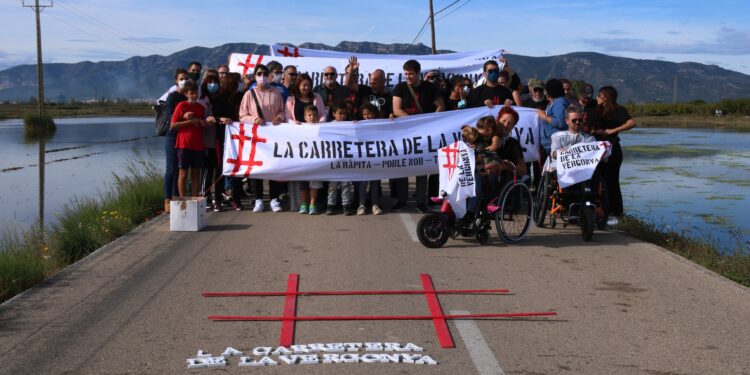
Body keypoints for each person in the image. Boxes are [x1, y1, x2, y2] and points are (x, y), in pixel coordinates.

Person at [392, 59, 444, 212]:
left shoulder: (429, 88)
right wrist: (413, 122)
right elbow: (396, 109)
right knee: (403, 165)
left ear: (418, 73)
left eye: (411, 74)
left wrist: (430, 122)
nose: (408, 77)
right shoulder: (400, 88)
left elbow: (440, 106)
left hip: (425, 133)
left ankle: (421, 200)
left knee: (422, 166)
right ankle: (402, 199)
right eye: (406, 74)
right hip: (405, 132)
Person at [239, 64, 286, 213]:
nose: (262, 76)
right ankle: (259, 199)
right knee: (257, 168)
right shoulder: (249, 94)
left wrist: (279, 117)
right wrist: (254, 119)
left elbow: (282, 111)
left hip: (272, 137)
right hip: (255, 136)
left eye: (265, 73)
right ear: (255, 76)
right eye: (259, 73)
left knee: (273, 167)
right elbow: (242, 115)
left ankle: (274, 198)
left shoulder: (276, 93)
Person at [594, 86, 636, 225]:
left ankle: (616, 213)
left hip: (612, 149)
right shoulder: (597, 109)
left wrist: (613, 130)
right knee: (598, 181)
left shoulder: (618, 110)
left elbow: (631, 123)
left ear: (605, 97)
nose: (597, 98)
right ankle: (600, 211)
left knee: (612, 181)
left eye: (599, 96)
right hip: (597, 150)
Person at [170, 80, 214, 197]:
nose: (194, 96)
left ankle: (194, 198)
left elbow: (202, 123)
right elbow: (173, 125)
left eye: (196, 93)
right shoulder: (181, 106)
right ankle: (182, 199)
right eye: (191, 93)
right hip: (184, 144)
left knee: (196, 174)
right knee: (183, 173)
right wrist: (190, 121)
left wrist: (206, 122)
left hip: (198, 145)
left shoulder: (200, 107)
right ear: (186, 94)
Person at [163, 68, 189, 212]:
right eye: (181, 78)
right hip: (172, 135)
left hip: (184, 137)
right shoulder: (172, 97)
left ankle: (176, 197)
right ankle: (167, 200)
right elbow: (171, 117)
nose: (184, 80)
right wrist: (185, 117)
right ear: (176, 80)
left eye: (186, 78)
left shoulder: (188, 97)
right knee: (171, 168)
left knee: (181, 169)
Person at [325, 102, 355, 215]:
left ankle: (346, 205)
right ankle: (330, 205)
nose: (342, 116)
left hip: (346, 160)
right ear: (333, 114)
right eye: (340, 113)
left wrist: (355, 125)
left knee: (346, 184)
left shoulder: (349, 125)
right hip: (333, 160)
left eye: (345, 114)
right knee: (332, 185)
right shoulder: (328, 126)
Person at [356, 103, 383, 215]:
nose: (367, 116)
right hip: (363, 158)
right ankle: (361, 205)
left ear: (374, 114)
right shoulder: (358, 125)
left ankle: (375, 204)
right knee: (363, 182)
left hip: (376, 157)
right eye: (364, 114)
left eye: (369, 114)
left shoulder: (380, 125)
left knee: (375, 182)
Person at [297, 105, 324, 215]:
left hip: (316, 161)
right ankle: (303, 205)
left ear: (317, 117)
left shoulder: (321, 127)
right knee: (303, 185)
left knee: (314, 184)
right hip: (303, 162)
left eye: (314, 115)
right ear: (305, 117)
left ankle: (312, 205)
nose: (312, 117)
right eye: (309, 115)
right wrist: (296, 126)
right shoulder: (300, 127)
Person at [537, 78, 569, 165]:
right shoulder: (553, 103)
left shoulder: (560, 102)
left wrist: (544, 116)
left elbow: (561, 123)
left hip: (554, 145)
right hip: (547, 145)